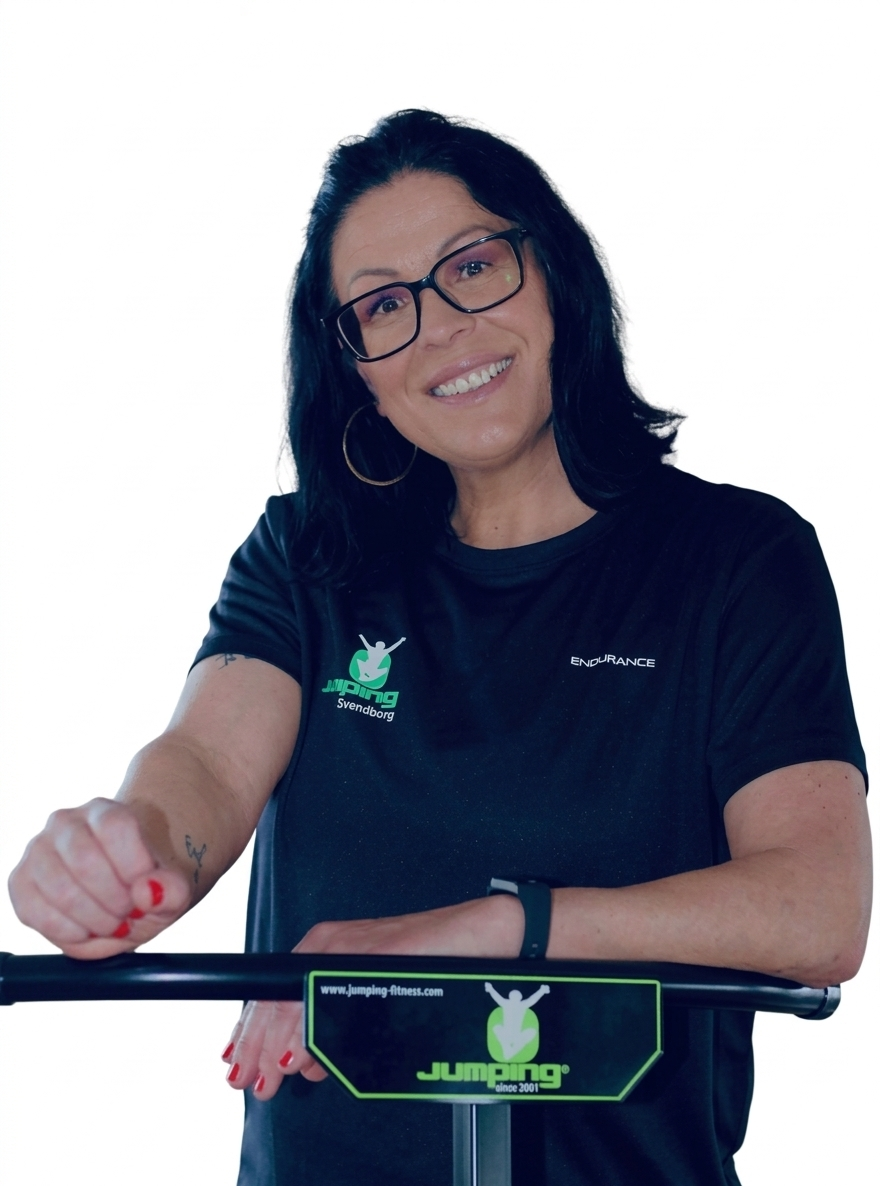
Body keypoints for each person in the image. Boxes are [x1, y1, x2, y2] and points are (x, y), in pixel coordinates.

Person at [7, 109, 871, 1186]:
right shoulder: (306, 558)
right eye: (382, 306)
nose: (442, 329)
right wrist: (123, 857)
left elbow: (818, 910)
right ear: (354, 369)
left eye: (472, 266)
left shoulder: (737, 558)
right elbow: (203, 771)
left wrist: (488, 930)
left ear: (553, 275)